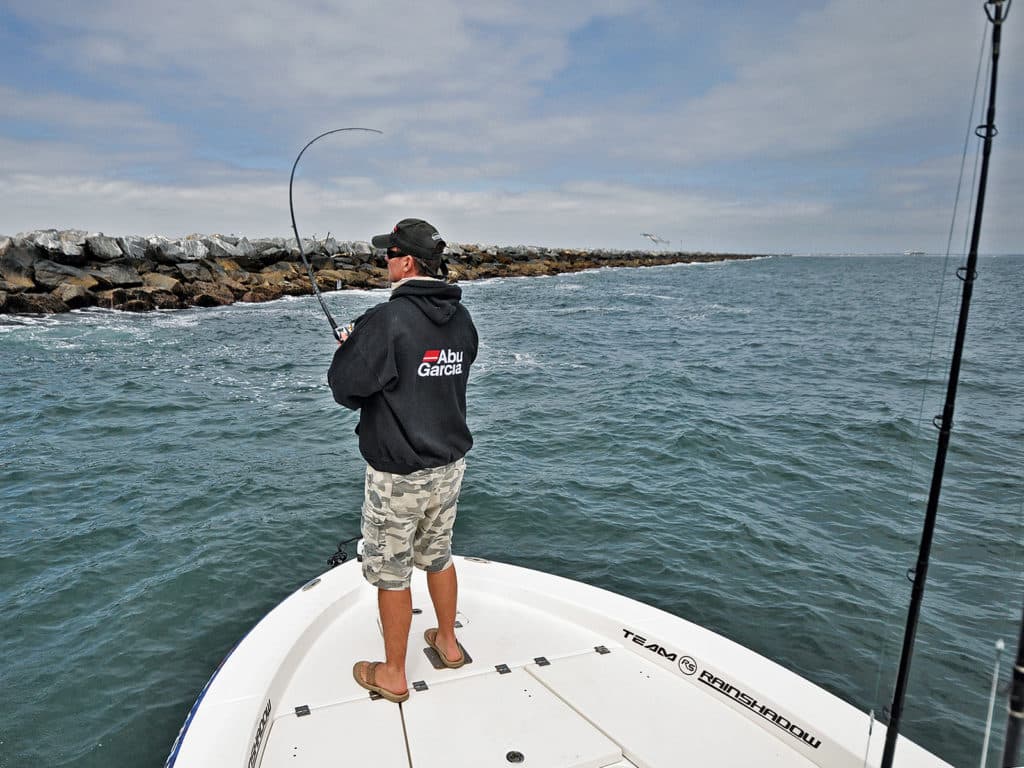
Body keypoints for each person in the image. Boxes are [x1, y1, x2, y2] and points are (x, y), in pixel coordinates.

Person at [327, 218, 478, 703]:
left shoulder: (386, 321)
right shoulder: (462, 320)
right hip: (449, 467)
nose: (384, 263)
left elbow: (346, 390)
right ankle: (449, 644)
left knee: (392, 573)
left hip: (398, 476)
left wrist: (351, 348)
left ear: (407, 261)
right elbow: (439, 374)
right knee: (439, 555)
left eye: (387, 255)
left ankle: (393, 674)